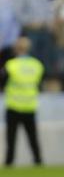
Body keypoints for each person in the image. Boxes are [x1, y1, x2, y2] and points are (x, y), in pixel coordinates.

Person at [2, 37, 44, 166]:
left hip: (13, 106)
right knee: (33, 138)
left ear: (16, 49)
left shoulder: (10, 65)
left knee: (11, 139)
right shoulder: (37, 65)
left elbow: (3, 82)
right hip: (30, 106)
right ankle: (38, 161)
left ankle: (9, 162)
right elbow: (39, 84)